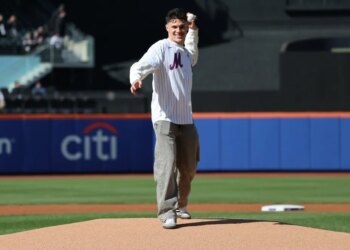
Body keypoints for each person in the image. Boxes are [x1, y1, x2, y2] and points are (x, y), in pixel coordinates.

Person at [129, 8, 200, 229]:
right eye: (174, 27)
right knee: (166, 164)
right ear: (167, 28)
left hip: (186, 118)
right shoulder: (161, 47)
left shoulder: (187, 54)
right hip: (164, 117)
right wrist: (136, 79)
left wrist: (194, 31)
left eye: (182, 27)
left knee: (189, 167)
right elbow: (138, 66)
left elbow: (192, 50)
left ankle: (180, 204)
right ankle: (167, 212)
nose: (178, 30)